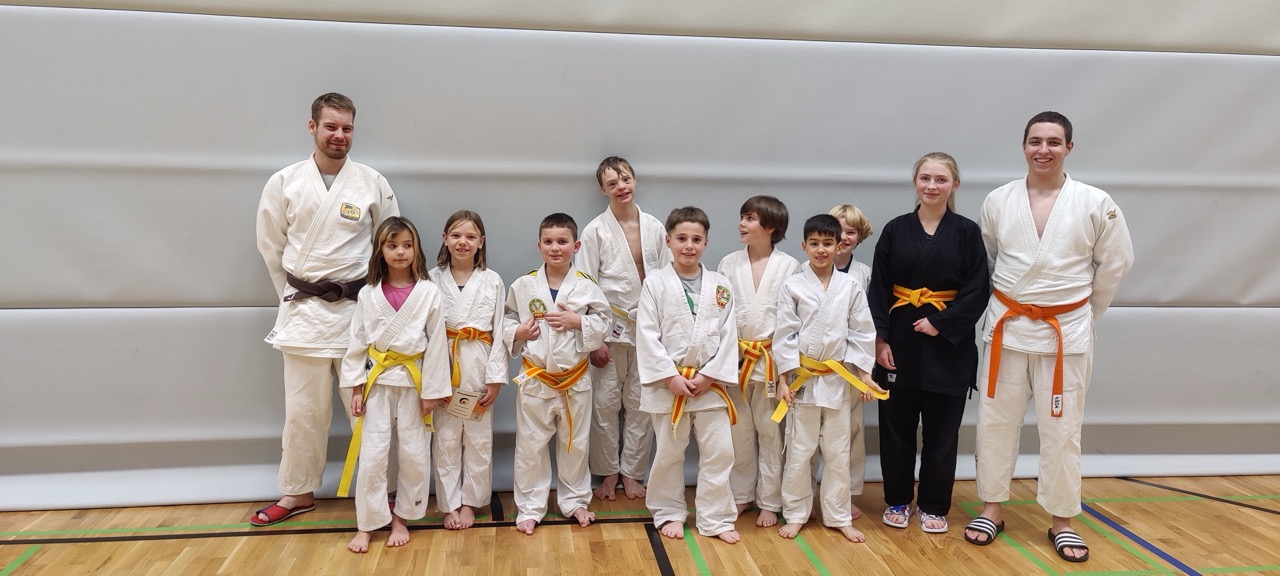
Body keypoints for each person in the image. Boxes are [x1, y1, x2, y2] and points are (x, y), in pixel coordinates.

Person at [964, 112, 1133, 563]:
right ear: (1023, 146)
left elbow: (1115, 263)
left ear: (1069, 148)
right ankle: (991, 507)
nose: (1044, 150)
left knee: (1063, 429)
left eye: (1054, 142)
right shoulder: (999, 200)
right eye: (1035, 141)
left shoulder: (1095, 202)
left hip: (1064, 332)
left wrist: (1084, 313)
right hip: (1008, 327)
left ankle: (1062, 519)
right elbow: (986, 261)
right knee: (995, 423)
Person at [253, 92, 400, 526]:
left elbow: (390, 246)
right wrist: (295, 294)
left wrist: (380, 308)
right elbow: (270, 246)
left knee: (368, 410)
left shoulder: (372, 181)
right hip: (304, 314)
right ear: (312, 127)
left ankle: (382, 493)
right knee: (303, 413)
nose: (339, 135)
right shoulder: (285, 182)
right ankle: (297, 491)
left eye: (347, 128)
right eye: (331, 126)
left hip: (358, 314)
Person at [868, 153, 989, 534]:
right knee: (896, 429)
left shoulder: (967, 232)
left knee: (943, 433)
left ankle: (934, 505)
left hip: (947, 348)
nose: (932, 186)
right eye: (925, 178)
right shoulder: (895, 229)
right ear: (915, 182)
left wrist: (941, 323)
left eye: (941, 179)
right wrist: (880, 340)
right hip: (899, 342)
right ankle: (898, 499)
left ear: (955, 185)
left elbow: (978, 289)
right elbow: (878, 288)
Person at [773, 214, 887, 543]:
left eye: (827, 243)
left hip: (837, 380)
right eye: (814, 243)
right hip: (804, 379)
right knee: (799, 451)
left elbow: (862, 333)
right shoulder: (793, 285)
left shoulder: (850, 286)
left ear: (839, 246)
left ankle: (838, 516)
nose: (821, 250)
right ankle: (796, 513)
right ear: (804, 246)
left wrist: (864, 376)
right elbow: (785, 335)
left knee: (838, 452)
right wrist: (783, 379)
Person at [339, 216, 451, 552]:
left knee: (414, 454)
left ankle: (402, 518)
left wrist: (432, 392)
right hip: (377, 382)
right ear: (380, 251)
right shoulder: (368, 293)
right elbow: (357, 341)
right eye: (392, 245)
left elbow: (437, 344)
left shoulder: (429, 292)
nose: (400, 252)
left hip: (415, 383)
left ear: (417, 250)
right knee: (372, 455)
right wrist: (356, 387)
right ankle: (367, 523)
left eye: (407, 245)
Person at [636, 207, 742, 544]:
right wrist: (670, 377)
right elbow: (647, 334)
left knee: (721, 451)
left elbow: (729, 335)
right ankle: (668, 511)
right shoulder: (655, 283)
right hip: (670, 385)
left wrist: (709, 376)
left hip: (709, 385)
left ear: (706, 242)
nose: (689, 245)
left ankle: (716, 517)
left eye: (696, 239)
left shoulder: (720, 285)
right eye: (681, 238)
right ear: (668, 240)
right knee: (669, 452)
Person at [504, 213, 611, 535]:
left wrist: (580, 323)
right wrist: (519, 332)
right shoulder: (523, 285)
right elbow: (506, 320)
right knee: (530, 446)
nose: (555, 248)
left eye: (562, 242)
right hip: (536, 380)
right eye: (548, 242)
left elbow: (605, 323)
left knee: (575, 444)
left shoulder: (587, 286)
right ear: (539, 246)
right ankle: (530, 507)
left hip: (575, 380)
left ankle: (575, 501)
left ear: (575, 246)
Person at [577, 156, 671, 501]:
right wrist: (593, 340)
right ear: (603, 190)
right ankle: (607, 473)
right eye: (612, 183)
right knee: (604, 404)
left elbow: (668, 280)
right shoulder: (595, 231)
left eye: (626, 179)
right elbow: (584, 286)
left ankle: (632, 473)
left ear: (635, 181)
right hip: (609, 327)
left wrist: (664, 333)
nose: (621, 187)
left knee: (641, 403)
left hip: (648, 328)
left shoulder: (655, 227)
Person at [715, 196, 800, 527]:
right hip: (735, 360)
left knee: (770, 433)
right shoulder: (728, 263)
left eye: (750, 218)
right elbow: (719, 316)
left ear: (770, 226)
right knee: (738, 431)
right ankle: (741, 495)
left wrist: (786, 371)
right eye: (742, 217)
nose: (741, 223)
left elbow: (793, 323)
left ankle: (769, 500)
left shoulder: (790, 267)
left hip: (770, 362)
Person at [429, 210, 509, 530]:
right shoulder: (431, 279)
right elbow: (424, 334)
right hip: (443, 363)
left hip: (479, 361)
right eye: (456, 235)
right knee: (445, 438)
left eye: (471, 236)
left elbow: (500, 331)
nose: (463, 242)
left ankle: (470, 503)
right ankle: (449, 503)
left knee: (478, 439)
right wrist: (432, 381)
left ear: (481, 242)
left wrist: (496, 379)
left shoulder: (493, 280)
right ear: (445, 239)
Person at [830, 204, 874, 284]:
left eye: (850, 232)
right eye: (837, 231)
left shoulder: (866, 275)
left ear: (859, 236)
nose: (843, 237)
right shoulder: (809, 268)